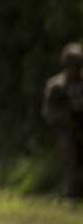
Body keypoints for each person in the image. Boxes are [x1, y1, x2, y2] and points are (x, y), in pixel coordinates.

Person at [42, 42, 83, 200]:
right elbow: (48, 111)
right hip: (68, 129)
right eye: (71, 65)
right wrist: (64, 118)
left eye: (77, 64)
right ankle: (73, 192)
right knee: (70, 159)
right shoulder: (56, 85)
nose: (74, 68)